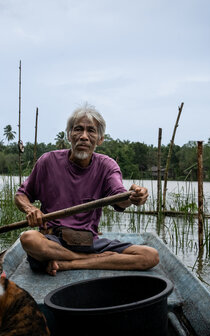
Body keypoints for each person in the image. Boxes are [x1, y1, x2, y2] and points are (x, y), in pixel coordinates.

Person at [14, 103, 159, 276]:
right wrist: (31, 209)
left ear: (100, 139)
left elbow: (120, 196)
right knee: (29, 239)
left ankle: (71, 264)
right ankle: (83, 259)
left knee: (150, 255)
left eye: (91, 131)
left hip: (89, 242)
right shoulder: (48, 161)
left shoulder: (107, 166)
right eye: (78, 130)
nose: (84, 136)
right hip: (54, 241)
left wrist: (133, 196)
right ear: (69, 135)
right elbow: (21, 194)